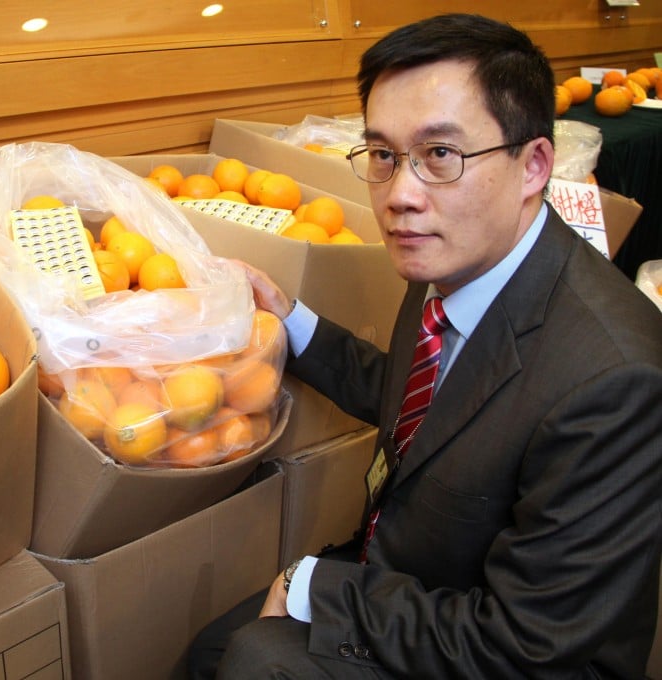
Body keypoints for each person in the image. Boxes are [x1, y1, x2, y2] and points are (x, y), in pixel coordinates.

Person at [188, 13, 662, 679]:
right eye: (384, 156)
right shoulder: (457, 257)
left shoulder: (616, 380)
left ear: (533, 166)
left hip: (510, 647)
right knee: (207, 650)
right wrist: (289, 318)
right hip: (418, 575)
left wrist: (318, 589)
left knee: (255, 659)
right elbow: (429, 399)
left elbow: (531, 645)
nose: (401, 197)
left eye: (441, 155)